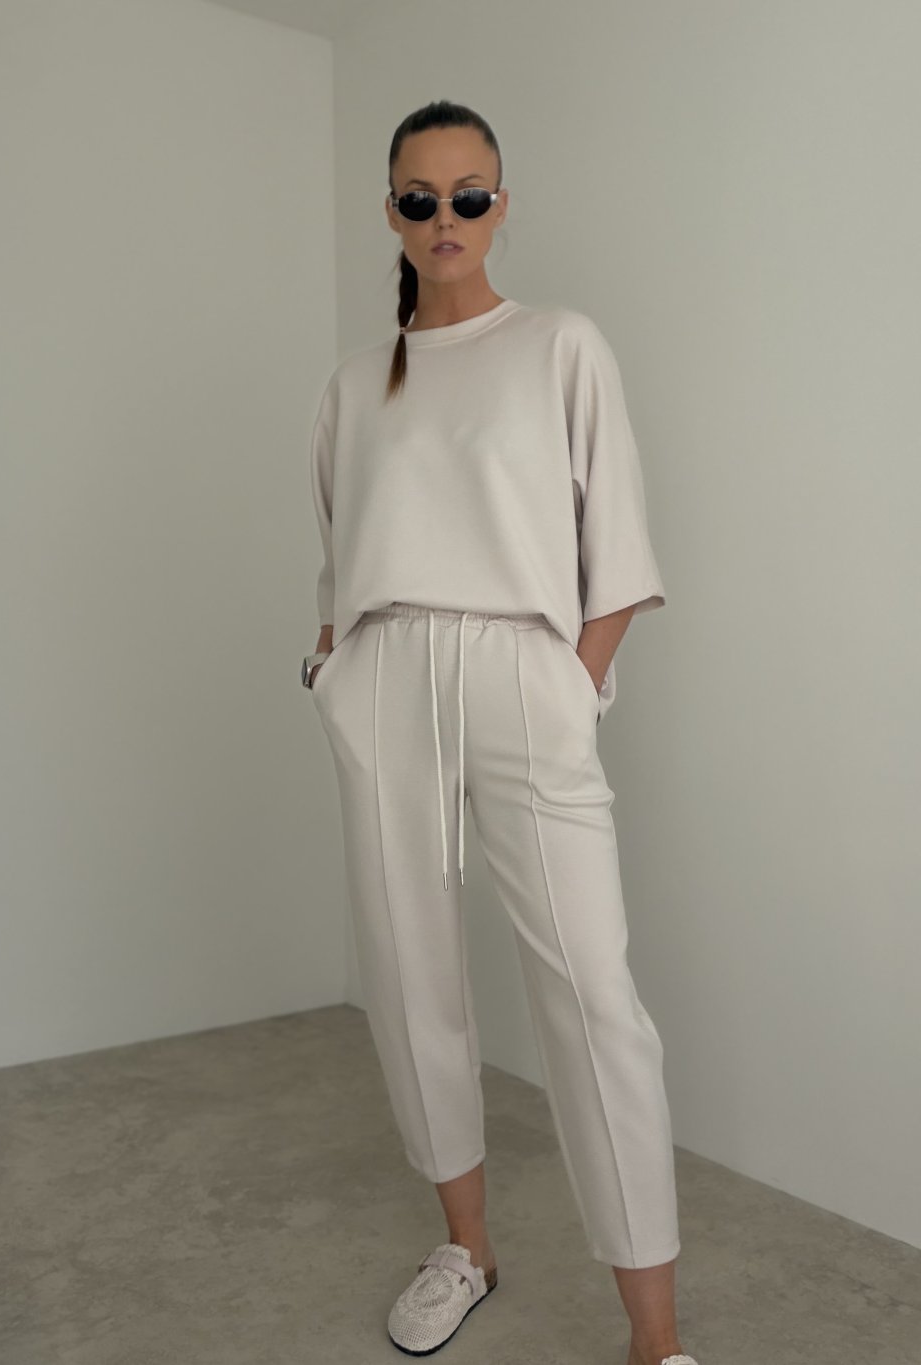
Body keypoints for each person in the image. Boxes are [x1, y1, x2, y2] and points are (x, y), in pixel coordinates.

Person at [300, 99, 700, 1365]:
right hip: (385, 674)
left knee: (593, 995)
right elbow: (339, 554)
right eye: (421, 199)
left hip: (523, 672)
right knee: (409, 977)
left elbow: (616, 549)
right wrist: (335, 666)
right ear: (391, 213)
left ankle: (654, 1339)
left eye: (469, 195)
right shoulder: (354, 383)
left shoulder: (559, 345)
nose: (447, 219)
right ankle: (463, 1249)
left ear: (501, 203)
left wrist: (573, 687)